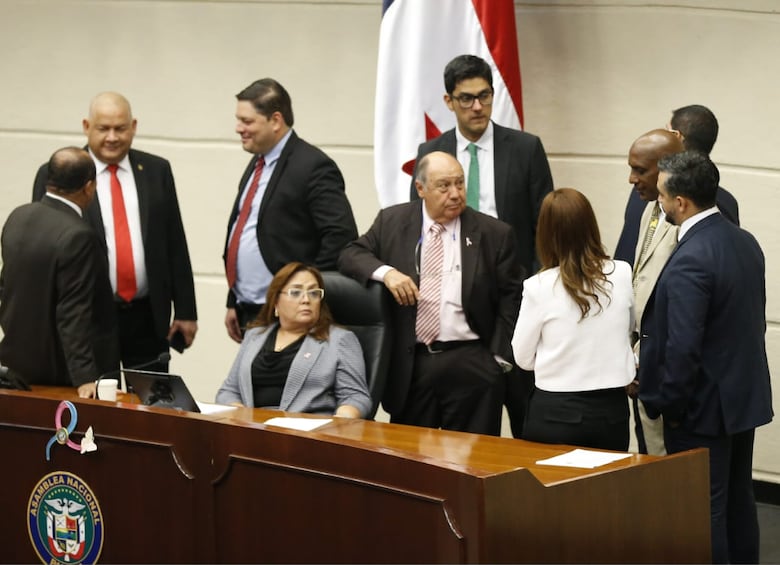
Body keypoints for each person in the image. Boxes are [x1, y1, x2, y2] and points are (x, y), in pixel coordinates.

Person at [409, 54, 554, 437]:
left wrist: (540, 284)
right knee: (466, 432)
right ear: (448, 101)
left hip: (515, 296)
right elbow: (418, 223)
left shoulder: (525, 149)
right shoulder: (431, 152)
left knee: (524, 415)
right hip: (456, 304)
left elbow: (545, 222)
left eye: (485, 96)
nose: (477, 106)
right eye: (466, 98)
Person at [639, 151, 772, 564]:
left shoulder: (689, 261)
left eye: (661, 195)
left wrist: (666, 405)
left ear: (680, 202)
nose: (657, 202)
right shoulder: (745, 241)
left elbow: (683, 348)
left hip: (701, 410)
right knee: (739, 500)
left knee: (701, 510)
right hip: (743, 400)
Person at [339, 151, 523, 436]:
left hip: (471, 361)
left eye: (460, 184)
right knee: (410, 462)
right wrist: (387, 273)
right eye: (444, 186)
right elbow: (351, 254)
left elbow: (511, 298)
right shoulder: (393, 222)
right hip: (413, 363)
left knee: (471, 465)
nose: (455, 194)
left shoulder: (493, 233)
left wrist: (497, 360)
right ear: (420, 188)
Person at [32, 92, 197, 373]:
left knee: (150, 407)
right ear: (86, 126)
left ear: (133, 126)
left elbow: (174, 240)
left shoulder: (157, 170)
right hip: (89, 317)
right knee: (98, 407)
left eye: (120, 128)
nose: (112, 137)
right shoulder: (59, 172)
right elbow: (44, 249)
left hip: (147, 315)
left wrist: (185, 310)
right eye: (103, 128)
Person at [224, 78, 358, 343]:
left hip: (292, 317)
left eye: (247, 121)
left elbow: (340, 236)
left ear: (275, 120)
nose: (238, 128)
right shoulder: (258, 163)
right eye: (238, 120)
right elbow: (245, 229)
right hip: (250, 310)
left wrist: (302, 294)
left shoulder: (313, 166)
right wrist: (234, 299)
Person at [511, 188, 635, 451]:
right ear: (591, 226)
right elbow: (628, 330)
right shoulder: (622, 273)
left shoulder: (539, 286)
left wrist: (558, 359)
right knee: (608, 490)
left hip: (555, 411)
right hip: (611, 412)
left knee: (553, 491)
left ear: (545, 234)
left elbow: (522, 357)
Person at [2, 147, 119, 398]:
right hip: (62, 374)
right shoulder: (78, 235)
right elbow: (73, 312)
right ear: (89, 187)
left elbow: (6, 288)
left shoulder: (17, 217)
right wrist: (86, 377)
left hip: (16, 366)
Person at [216, 262, 371, 418]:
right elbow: (229, 391)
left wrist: (340, 421)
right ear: (276, 301)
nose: (306, 299)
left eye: (314, 293)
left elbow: (356, 397)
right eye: (296, 292)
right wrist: (239, 414)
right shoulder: (255, 336)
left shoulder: (339, 340)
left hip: (308, 434)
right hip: (253, 429)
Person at [614, 104, 739, 265]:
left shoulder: (720, 206)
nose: (633, 179)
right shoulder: (642, 191)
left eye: (667, 131)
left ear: (676, 136)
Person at [624, 129, 684, 454]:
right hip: (642, 363)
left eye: (640, 170)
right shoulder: (648, 208)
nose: (632, 179)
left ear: (666, 169)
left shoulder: (687, 218)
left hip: (667, 370)